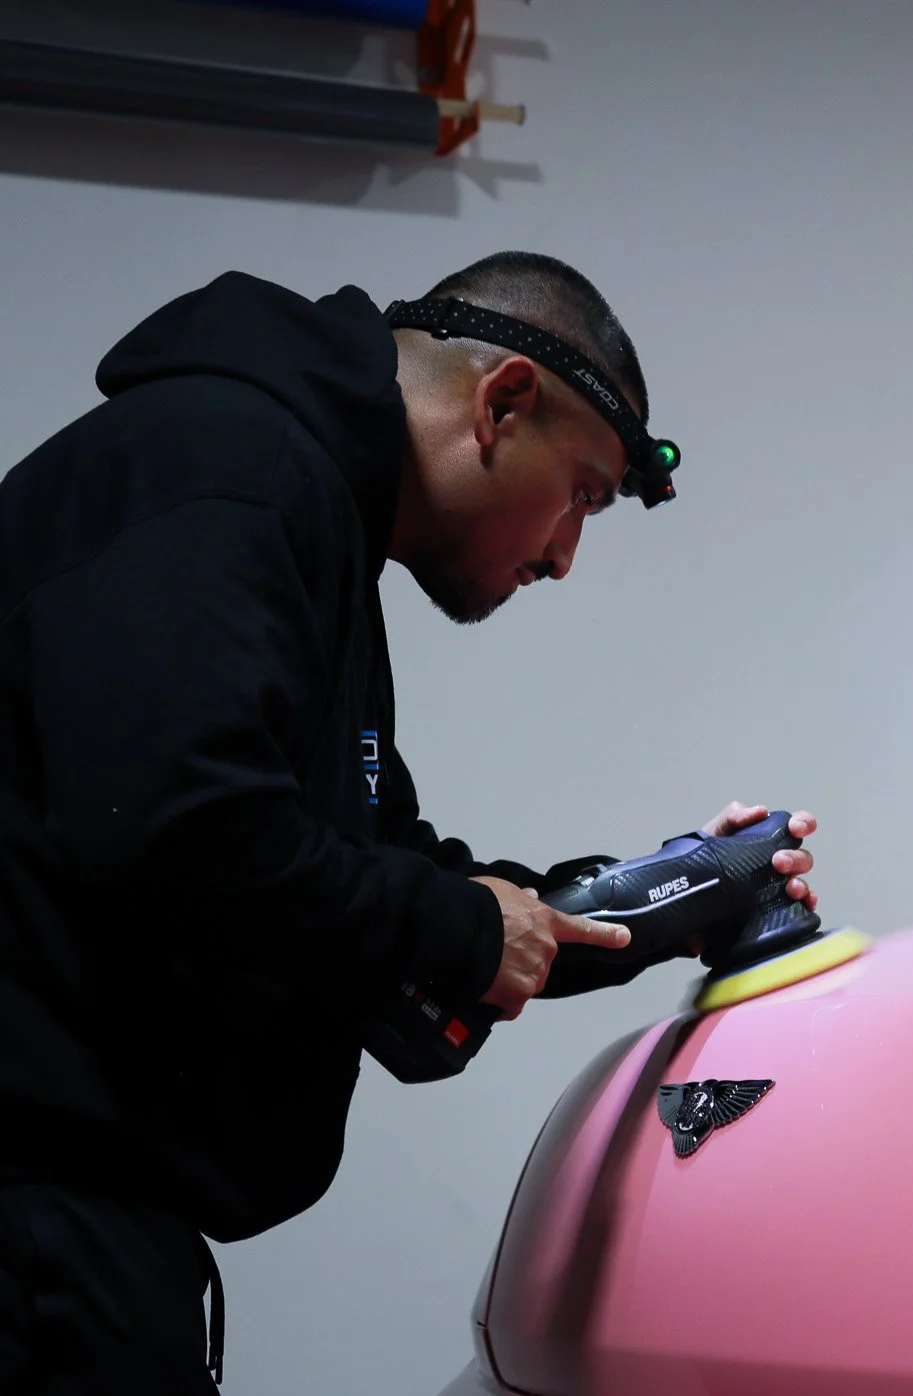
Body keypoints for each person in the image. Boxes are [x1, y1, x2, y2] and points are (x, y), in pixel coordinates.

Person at [0, 252, 819, 1393]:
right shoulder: (222, 466)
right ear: (503, 403)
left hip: (89, 1232)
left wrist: (676, 896)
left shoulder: (307, 518)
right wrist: (454, 927)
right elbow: (180, 826)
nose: (564, 558)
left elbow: (373, 874)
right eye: (579, 494)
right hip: (32, 1229)